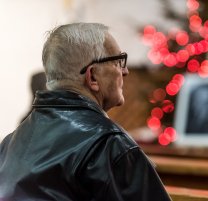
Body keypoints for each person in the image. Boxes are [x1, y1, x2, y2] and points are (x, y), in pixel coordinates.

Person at [0, 23, 171, 201]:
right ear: (93, 77)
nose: (125, 71)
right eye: (118, 62)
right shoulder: (109, 144)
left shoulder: (9, 143)